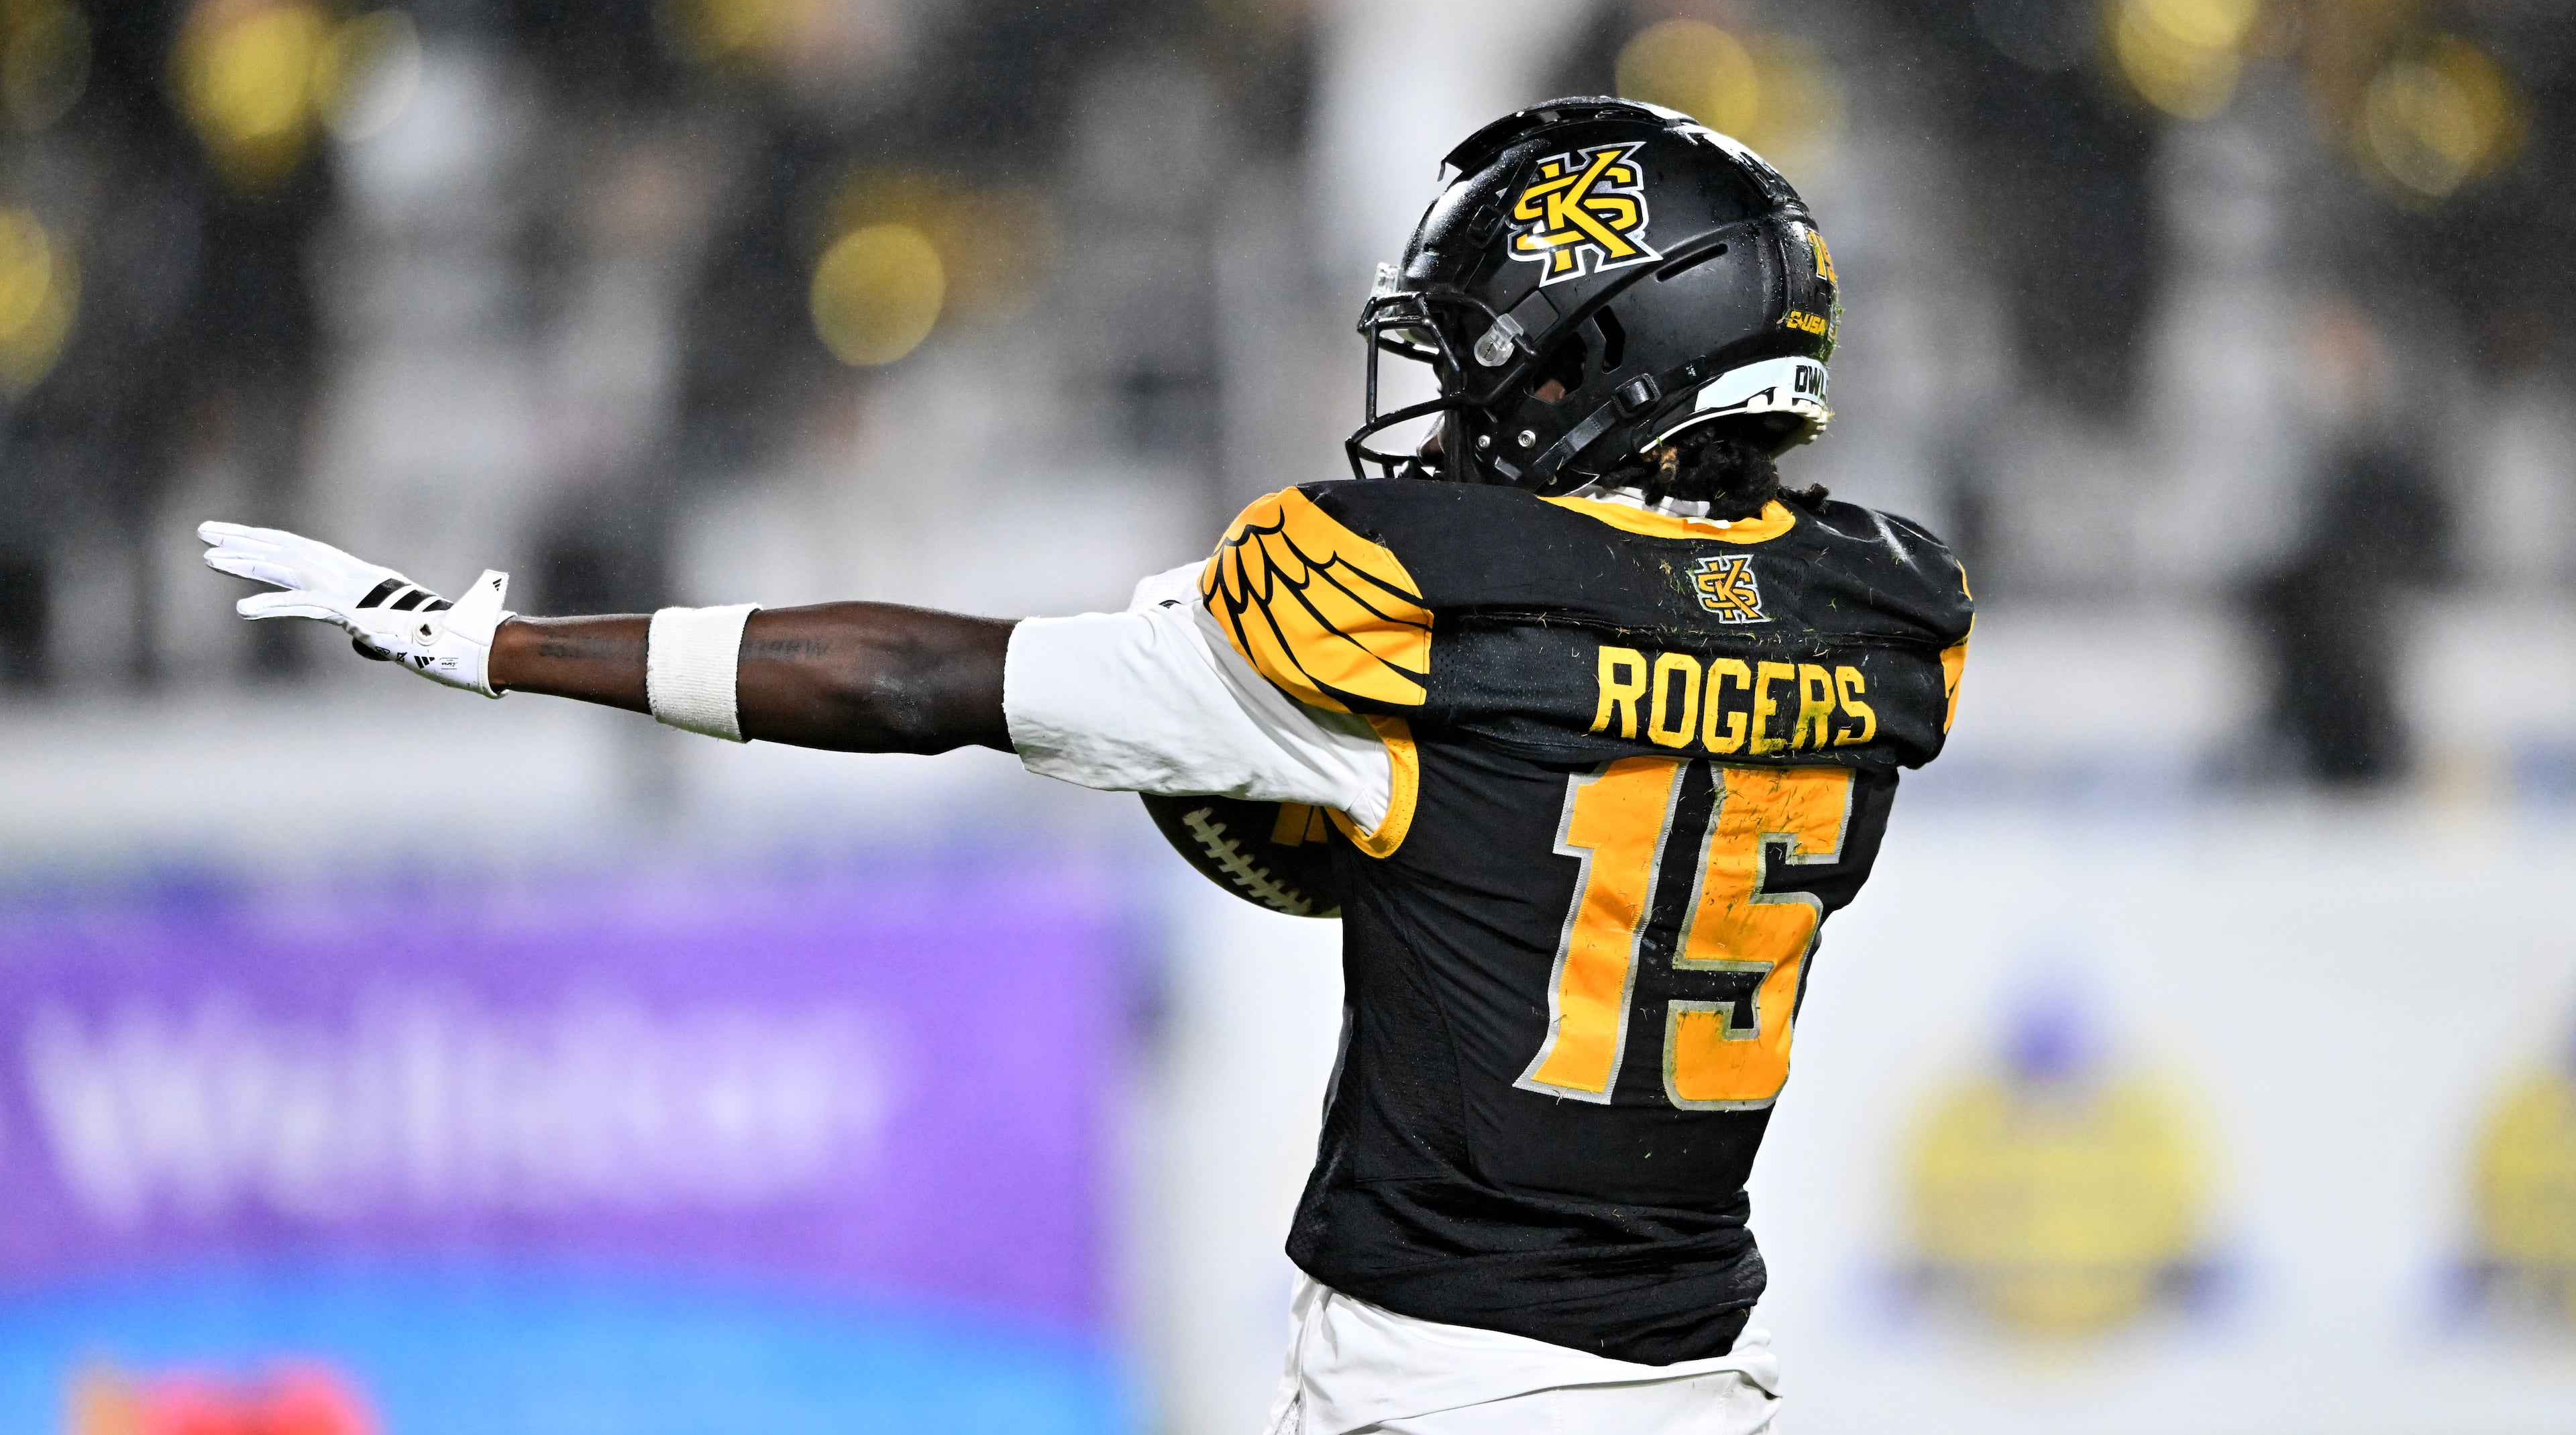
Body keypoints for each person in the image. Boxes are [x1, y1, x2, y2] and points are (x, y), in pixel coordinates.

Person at [200, 97, 1972, 1434]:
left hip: (1451, 1389)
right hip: (1697, 1382)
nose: (1454, 403)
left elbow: (917, 679)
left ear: (1597, 352)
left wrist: (499, 642)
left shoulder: (1419, 606)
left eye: (1483, 354)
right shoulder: (1876, 612)